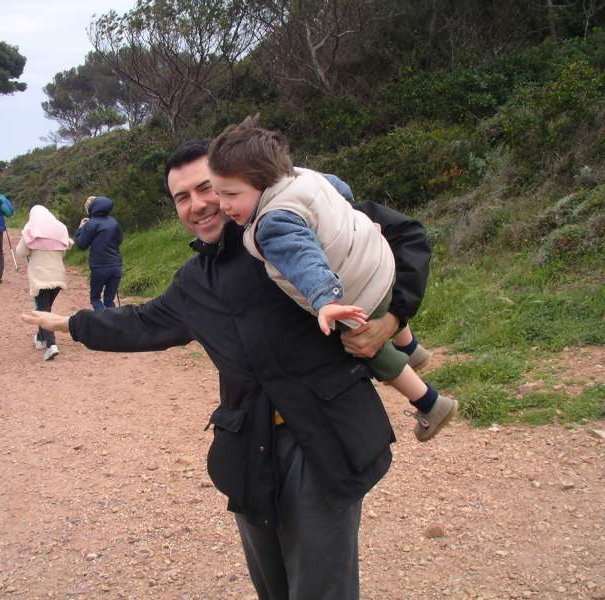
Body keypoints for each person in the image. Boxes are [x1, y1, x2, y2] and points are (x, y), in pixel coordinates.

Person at [22, 139, 430, 600]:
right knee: (272, 588)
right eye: (182, 197)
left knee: (321, 590)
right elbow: (144, 322)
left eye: (206, 189)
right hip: (247, 446)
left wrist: (391, 320)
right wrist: (73, 324)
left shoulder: (290, 224)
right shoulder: (194, 281)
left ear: (233, 182)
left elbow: (408, 237)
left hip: (324, 440)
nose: (197, 205)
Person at [207, 116, 457, 442]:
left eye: (231, 194)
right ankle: (410, 347)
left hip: (356, 295)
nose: (223, 205)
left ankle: (430, 403)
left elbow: (304, 262)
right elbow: (341, 188)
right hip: (379, 261)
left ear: (264, 182)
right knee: (376, 292)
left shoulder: (272, 225)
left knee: (365, 347)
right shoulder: (301, 177)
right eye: (218, 193)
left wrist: (325, 301)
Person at [322, 174, 431, 372]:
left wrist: (393, 318)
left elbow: (408, 236)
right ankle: (409, 347)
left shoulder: (321, 203)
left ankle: (409, 349)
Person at [16, 205, 73, 361]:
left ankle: (51, 345)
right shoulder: (60, 229)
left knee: (43, 310)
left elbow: (21, 252)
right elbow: (65, 248)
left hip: (40, 278)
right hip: (58, 276)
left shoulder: (31, 230)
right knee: (45, 309)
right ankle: (40, 339)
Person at [75, 196, 123, 311]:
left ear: (93, 208)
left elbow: (81, 245)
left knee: (95, 299)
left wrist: (80, 229)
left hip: (99, 267)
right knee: (109, 300)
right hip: (116, 266)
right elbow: (119, 240)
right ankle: (113, 320)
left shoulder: (91, 224)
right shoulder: (114, 222)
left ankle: (102, 320)